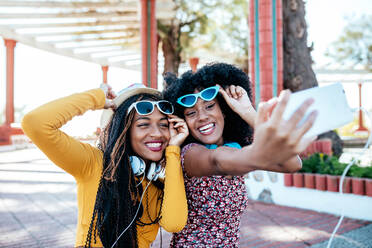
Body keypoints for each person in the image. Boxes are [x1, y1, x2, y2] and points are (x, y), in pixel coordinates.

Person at [163, 62, 317, 247]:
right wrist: (258, 155)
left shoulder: (234, 147)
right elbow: (217, 161)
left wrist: (248, 111)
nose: (202, 116)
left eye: (210, 106)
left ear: (225, 111)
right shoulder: (189, 155)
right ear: (184, 121)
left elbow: (293, 164)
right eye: (191, 113)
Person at [21, 83, 189, 248]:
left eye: (163, 125)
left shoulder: (157, 183)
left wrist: (173, 151)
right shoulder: (94, 163)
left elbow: (174, 224)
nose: (157, 133)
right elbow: (35, 123)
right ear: (123, 129)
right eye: (143, 124)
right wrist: (96, 97)